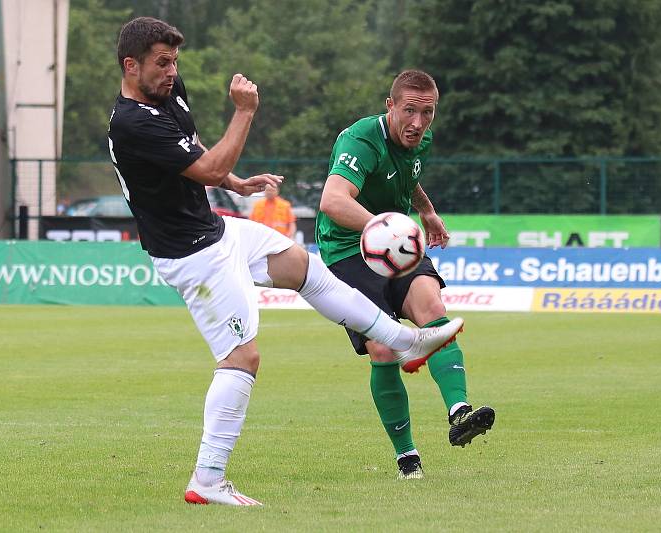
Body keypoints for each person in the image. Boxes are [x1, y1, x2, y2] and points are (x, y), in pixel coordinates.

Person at [108, 18, 465, 506]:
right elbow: (206, 165)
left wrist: (234, 184)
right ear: (131, 67)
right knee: (242, 359)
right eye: (161, 63)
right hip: (192, 256)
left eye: (174, 61)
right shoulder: (130, 122)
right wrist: (244, 113)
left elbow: (195, 163)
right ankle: (207, 480)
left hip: (215, 230)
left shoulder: (164, 91)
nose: (172, 71)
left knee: (303, 266)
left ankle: (405, 340)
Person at [316, 69, 495, 480]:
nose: (418, 123)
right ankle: (407, 456)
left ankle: (459, 411)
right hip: (347, 251)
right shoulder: (360, 140)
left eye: (427, 113)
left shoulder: (422, 140)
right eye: (409, 111)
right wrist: (381, 230)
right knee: (382, 350)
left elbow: (409, 175)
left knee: (432, 306)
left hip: (394, 244)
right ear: (390, 105)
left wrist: (427, 210)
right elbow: (332, 200)